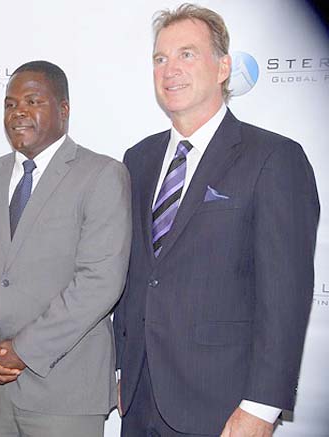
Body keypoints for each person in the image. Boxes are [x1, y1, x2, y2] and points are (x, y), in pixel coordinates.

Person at [114, 4, 320, 436]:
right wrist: (121, 371)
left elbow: (285, 296)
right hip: (139, 399)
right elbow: (137, 276)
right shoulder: (138, 159)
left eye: (187, 54)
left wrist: (262, 408)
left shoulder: (274, 158)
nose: (170, 69)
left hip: (222, 407)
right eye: (160, 58)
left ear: (224, 67)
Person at [0, 60, 131, 437]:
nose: (18, 112)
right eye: (10, 103)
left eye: (33, 101)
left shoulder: (102, 175)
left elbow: (99, 282)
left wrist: (25, 350)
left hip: (65, 393)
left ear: (63, 110)